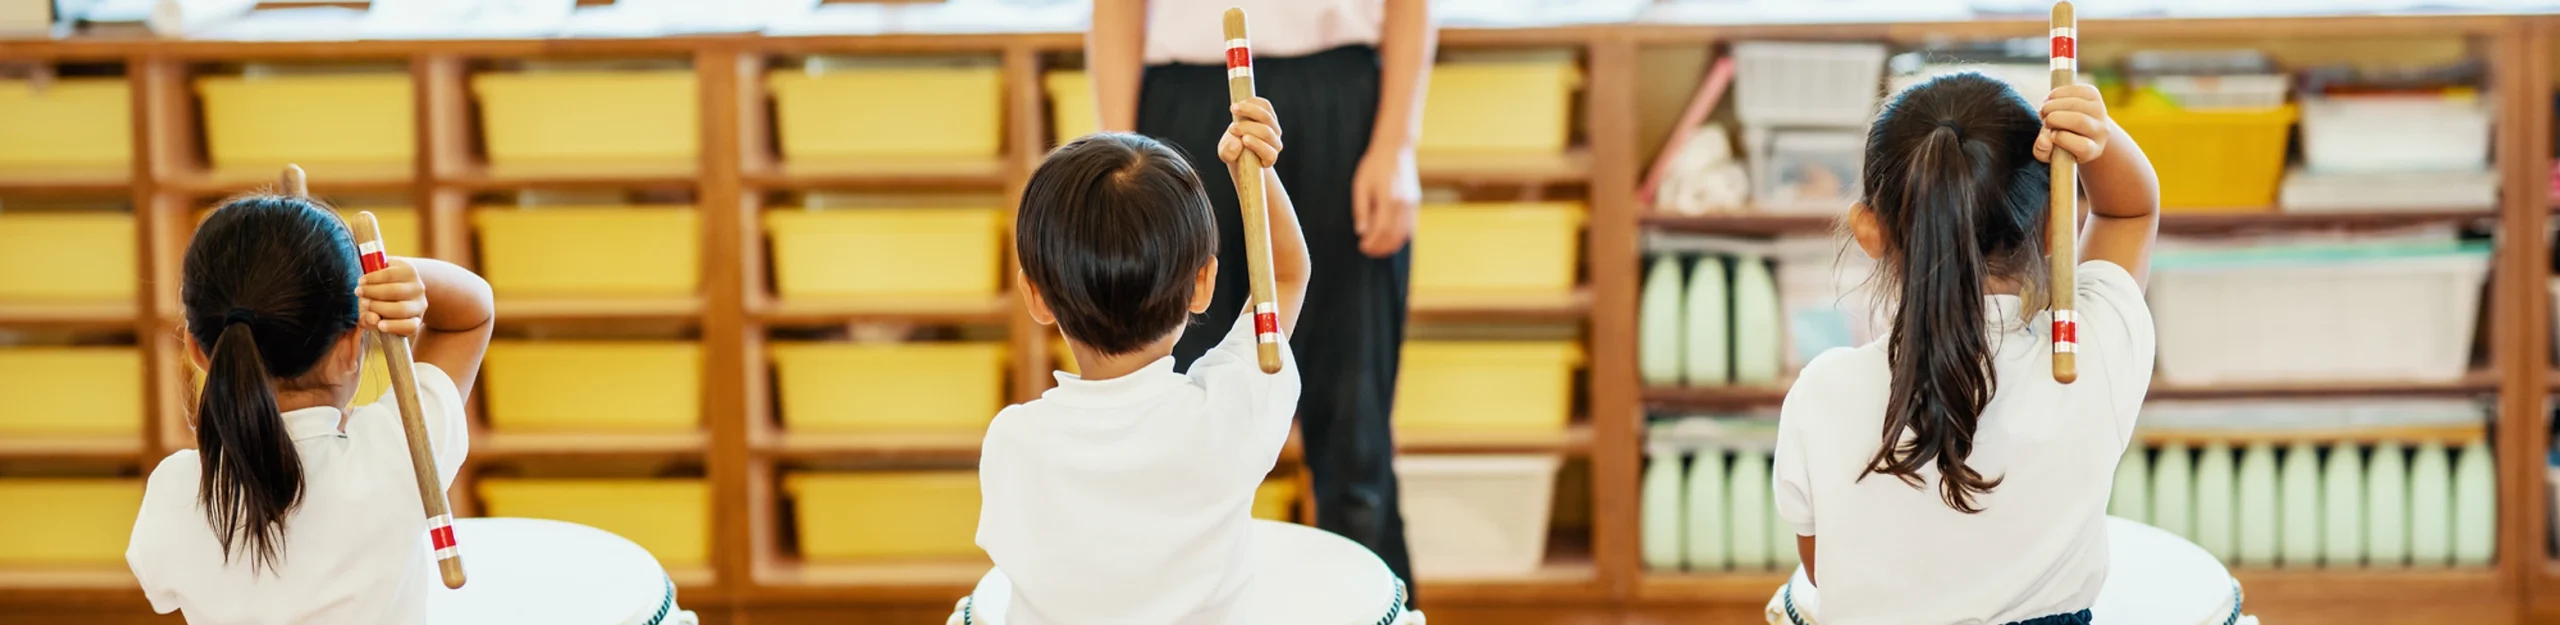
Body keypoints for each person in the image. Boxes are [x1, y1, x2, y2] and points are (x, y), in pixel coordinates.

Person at [1770, 73, 2162, 625]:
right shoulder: (2091, 352)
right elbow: (2129, 212)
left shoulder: (1821, 393)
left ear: (1869, 231)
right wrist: (2099, 133)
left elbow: (1820, 570)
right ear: (2052, 227)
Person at [1088, 0, 1433, 594]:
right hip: (1183, 108)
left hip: (1341, 106)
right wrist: (1118, 154)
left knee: (1355, 433)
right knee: (1171, 422)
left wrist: (1397, 142)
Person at [975, 98, 1307, 624]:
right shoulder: (1232, 410)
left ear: (1034, 297)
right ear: (1203, 284)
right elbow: (1286, 277)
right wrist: (1256, 171)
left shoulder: (1013, 442)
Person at [126, 196, 495, 624]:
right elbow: (471, 316)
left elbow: (163, 594)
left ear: (197, 349)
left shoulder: (174, 490)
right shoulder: (400, 450)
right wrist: (381, 273)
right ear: (353, 347)